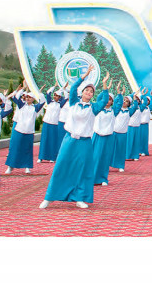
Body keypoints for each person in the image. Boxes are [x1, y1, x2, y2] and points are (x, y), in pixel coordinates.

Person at [39, 64, 109, 209]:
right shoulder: (73, 102)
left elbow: (104, 101)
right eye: (86, 90)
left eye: (91, 91)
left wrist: (104, 85)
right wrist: (84, 76)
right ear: (82, 92)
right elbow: (73, 88)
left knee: (83, 169)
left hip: (84, 143)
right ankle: (50, 197)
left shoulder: (94, 108)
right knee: (61, 166)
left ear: (92, 95)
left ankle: (79, 198)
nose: (89, 92)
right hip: (70, 139)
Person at [5, 86, 46, 174]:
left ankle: (27, 166)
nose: (27, 98)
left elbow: (43, 101)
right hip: (19, 130)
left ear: (33, 99)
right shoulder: (21, 105)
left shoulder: (35, 107)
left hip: (29, 131)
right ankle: (10, 166)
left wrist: (39, 93)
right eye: (26, 97)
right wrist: (22, 89)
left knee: (27, 149)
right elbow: (16, 97)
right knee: (15, 148)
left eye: (30, 97)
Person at [92, 73, 121, 186]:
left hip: (108, 137)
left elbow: (119, 102)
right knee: (95, 157)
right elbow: (100, 98)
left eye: (110, 99)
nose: (108, 101)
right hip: (97, 136)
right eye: (107, 99)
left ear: (112, 102)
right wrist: (105, 86)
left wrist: (118, 92)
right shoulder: (97, 108)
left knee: (105, 158)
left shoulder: (114, 111)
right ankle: (92, 178)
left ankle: (103, 178)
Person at [38, 84, 68, 163]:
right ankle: (41, 157)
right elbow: (48, 93)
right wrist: (54, 86)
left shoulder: (61, 104)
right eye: (54, 95)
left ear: (60, 97)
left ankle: (52, 157)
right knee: (44, 140)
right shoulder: (49, 102)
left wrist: (63, 89)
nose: (55, 97)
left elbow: (66, 97)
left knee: (53, 141)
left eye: (57, 96)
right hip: (46, 123)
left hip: (54, 125)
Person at [111, 89, 138, 172]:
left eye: (126, 101)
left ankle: (120, 165)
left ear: (129, 104)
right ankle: (108, 165)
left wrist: (135, 99)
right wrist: (120, 94)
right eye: (123, 100)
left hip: (123, 133)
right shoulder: (116, 109)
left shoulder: (129, 111)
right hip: (113, 132)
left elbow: (135, 107)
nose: (124, 102)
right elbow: (115, 102)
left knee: (121, 150)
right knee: (111, 150)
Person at [139, 91, 152, 156]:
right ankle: (139, 151)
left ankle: (144, 151)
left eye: (148, 100)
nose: (147, 101)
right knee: (139, 139)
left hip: (145, 125)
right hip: (139, 125)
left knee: (144, 139)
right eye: (146, 100)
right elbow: (139, 101)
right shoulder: (140, 107)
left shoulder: (149, 108)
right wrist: (143, 95)